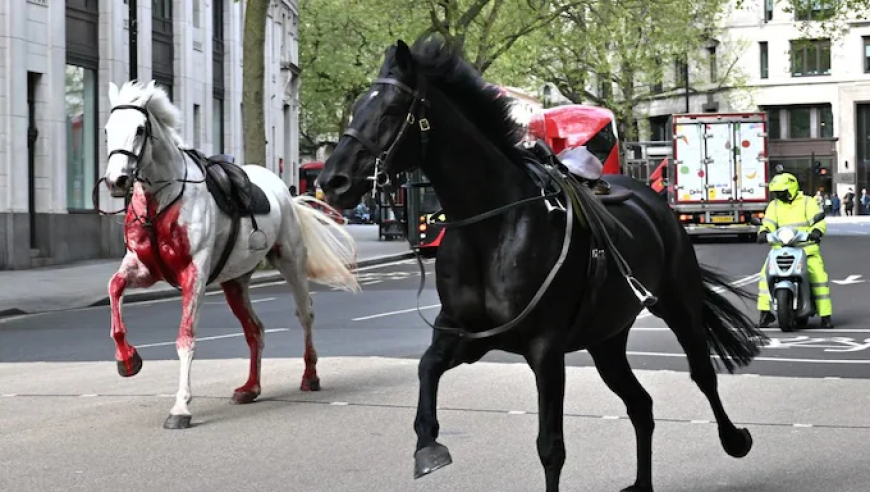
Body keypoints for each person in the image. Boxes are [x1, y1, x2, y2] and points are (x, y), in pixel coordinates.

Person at [756, 173, 833, 329]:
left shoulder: (807, 202)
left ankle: (825, 316)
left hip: (806, 249)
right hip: (780, 249)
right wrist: (763, 232)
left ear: (791, 188)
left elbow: (818, 221)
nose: (779, 195)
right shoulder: (774, 205)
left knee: (818, 278)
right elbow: (768, 222)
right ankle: (765, 313)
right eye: (776, 193)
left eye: (781, 192)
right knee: (764, 277)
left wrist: (817, 231)